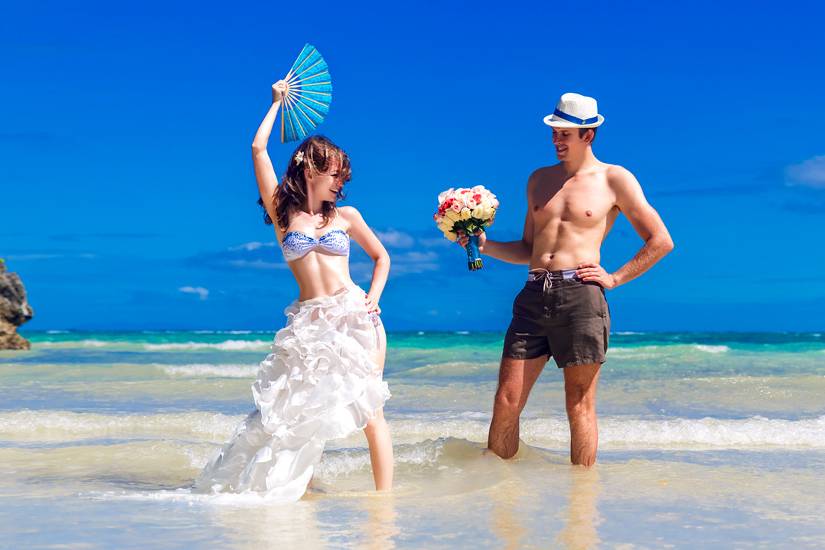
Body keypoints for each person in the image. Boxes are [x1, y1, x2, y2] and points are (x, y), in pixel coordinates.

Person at [195, 81, 393, 499]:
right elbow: (257, 150)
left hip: (356, 318)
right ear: (310, 171)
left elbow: (382, 258)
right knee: (291, 411)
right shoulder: (283, 215)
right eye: (335, 174)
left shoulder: (348, 216)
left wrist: (374, 296)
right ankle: (296, 488)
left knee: (370, 410)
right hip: (309, 324)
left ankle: (385, 501)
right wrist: (274, 105)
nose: (342, 182)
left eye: (345, 175)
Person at [460, 92, 674, 466]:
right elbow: (529, 247)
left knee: (579, 404)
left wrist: (615, 277)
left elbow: (660, 241)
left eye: (565, 134)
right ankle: (497, 496)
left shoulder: (614, 179)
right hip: (532, 294)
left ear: (588, 135)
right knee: (507, 399)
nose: (557, 141)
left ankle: (581, 502)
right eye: (555, 133)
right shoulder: (539, 180)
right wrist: (485, 244)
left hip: (581, 296)